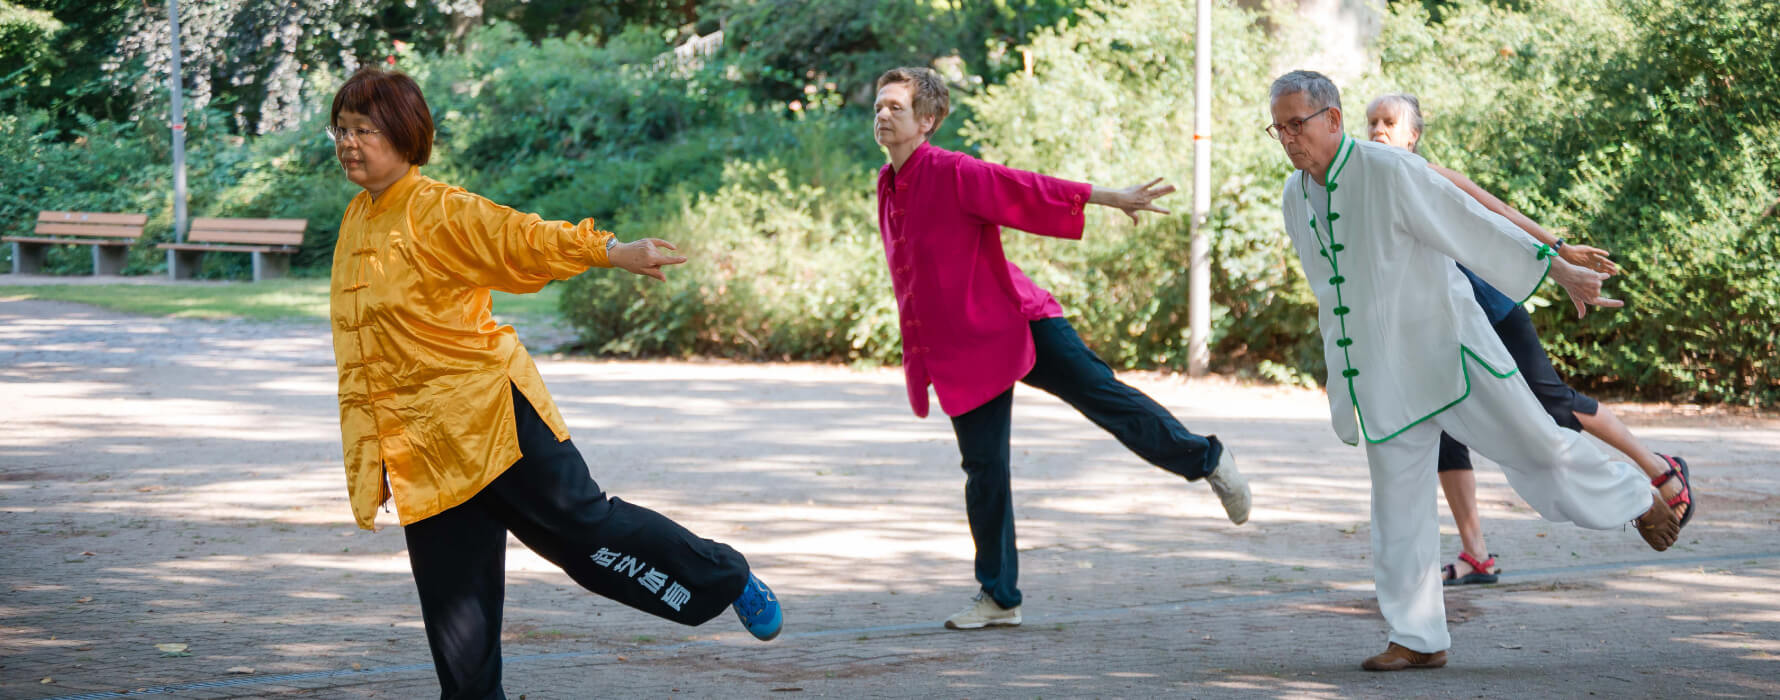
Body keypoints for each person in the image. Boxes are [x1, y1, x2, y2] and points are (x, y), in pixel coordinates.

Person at [326, 66, 781, 699]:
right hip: (427, 453)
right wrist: (373, 454)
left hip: (494, 421)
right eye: (341, 130)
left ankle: (727, 576)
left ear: (405, 135)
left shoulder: (439, 211)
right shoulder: (354, 221)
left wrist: (611, 250)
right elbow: (359, 356)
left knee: (590, 540)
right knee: (457, 620)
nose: (349, 143)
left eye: (364, 129)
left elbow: (521, 240)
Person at [1265, 70, 1693, 671]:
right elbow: (1326, 286)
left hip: (1450, 353)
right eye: (1278, 127)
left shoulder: (1392, 171)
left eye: (1296, 124)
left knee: (1538, 447)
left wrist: (1558, 267)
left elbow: (1471, 223)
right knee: (1398, 506)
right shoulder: (1294, 195)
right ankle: (1418, 639)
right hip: (1381, 377)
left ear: (1331, 119)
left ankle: (1636, 499)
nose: (1287, 137)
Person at [871, 66, 1252, 631]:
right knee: (984, 469)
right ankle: (1000, 597)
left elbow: (1027, 189)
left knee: (1103, 396)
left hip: (1020, 319)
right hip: (966, 347)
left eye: (895, 107)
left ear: (927, 121)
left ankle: (1209, 460)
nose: (881, 114)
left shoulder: (954, 171)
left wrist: (1110, 196)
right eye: (878, 106)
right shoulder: (888, 183)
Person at [1363, 93, 1694, 585]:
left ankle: (1658, 466)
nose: (1378, 131)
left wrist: (1559, 251)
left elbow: (1497, 212)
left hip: (1490, 311)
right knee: (1443, 430)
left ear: (1412, 136)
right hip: (1435, 328)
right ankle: (1477, 554)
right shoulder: (1369, 187)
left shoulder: (1427, 174)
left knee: (1551, 402)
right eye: (1371, 123)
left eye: (1390, 122)